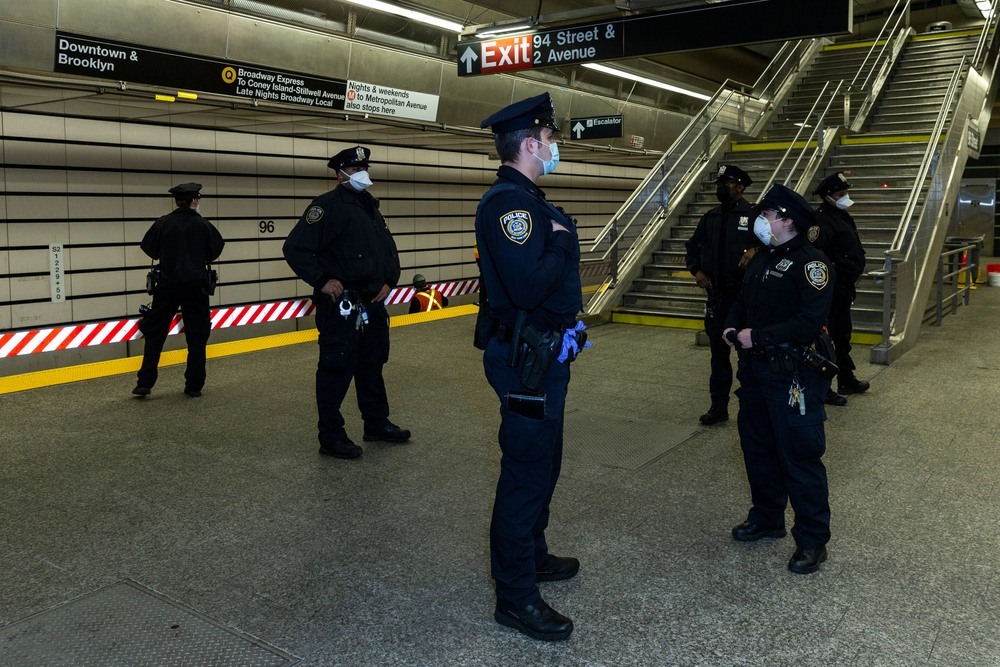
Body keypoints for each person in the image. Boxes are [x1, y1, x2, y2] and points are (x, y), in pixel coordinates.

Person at [475, 92, 587, 641]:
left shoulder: (530, 200)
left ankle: (534, 554)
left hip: (544, 358)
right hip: (524, 363)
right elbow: (525, 284)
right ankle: (515, 597)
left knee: (545, 462)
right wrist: (565, 247)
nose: (554, 145)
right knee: (524, 473)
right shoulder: (509, 207)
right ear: (529, 143)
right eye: (549, 138)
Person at [722, 183, 836, 575]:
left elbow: (808, 321)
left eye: (767, 215)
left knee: (799, 457)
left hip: (793, 377)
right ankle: (767, 517)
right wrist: (732, 325)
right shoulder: (762, 258)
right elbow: (743, 300)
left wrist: (760, 336)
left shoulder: (812, 263)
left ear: (787, 220)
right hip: (756, 372)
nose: (760, 221)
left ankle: (812, 540)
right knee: (758, 449)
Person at [282, 146, 410, 460]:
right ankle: (331, 436)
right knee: (335, 368)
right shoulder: (327, 207)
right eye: (355, 169)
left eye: (364, 167)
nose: (362, 173)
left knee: (372, 365)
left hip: (372, 304)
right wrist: (323, 279)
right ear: (340, 174)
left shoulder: (370, 206)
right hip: (344, 306)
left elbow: (386, 251)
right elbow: (295, 248)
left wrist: (389, 280)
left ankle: (376, 423)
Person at [133, 182, 225, 398]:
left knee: (156, 333)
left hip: (167, 285)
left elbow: (148, 248)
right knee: (197, 335)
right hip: (196, 287)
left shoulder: (163, 223)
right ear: (194, 200)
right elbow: (214, 251)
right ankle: (194, 384)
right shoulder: (204, 226)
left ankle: (145, 382)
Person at [685, 164, 760, 425]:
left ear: (740, 186)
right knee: (718, 357)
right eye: (720, 183)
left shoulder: (754, 216)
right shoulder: (711, 218)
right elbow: (692, 248)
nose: (722, 188)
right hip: (717, 299)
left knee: (747, 356)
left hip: (744, 301)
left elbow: (774, 247)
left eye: (727, 183)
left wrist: (755, 251)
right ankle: (719, 406)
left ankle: (752, 407)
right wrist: (696, 271)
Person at [810, 172, 869, 405]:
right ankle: (823, 388)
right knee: (826, 340)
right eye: (840, 194)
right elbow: (818, 258)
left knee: (842, 335)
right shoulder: (820, 221)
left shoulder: (841, 215)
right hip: (830, 291)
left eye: (846, 193)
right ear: (827, 197)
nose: (845, 197)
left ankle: (846, 377)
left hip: (844, 288)